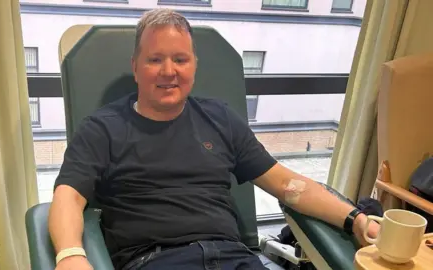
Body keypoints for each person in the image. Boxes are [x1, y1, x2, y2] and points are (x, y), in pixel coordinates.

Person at [48, 8, 378, 270]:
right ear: (136, 68)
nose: (168, 71)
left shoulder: (219, 118)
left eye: (180, 59)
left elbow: (286, 183)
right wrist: (70, 254)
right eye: (154, 59)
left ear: (194, 66)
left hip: (236, 258)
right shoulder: (102, 128)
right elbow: (68, 196)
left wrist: (355, 220)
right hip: (157, 260)